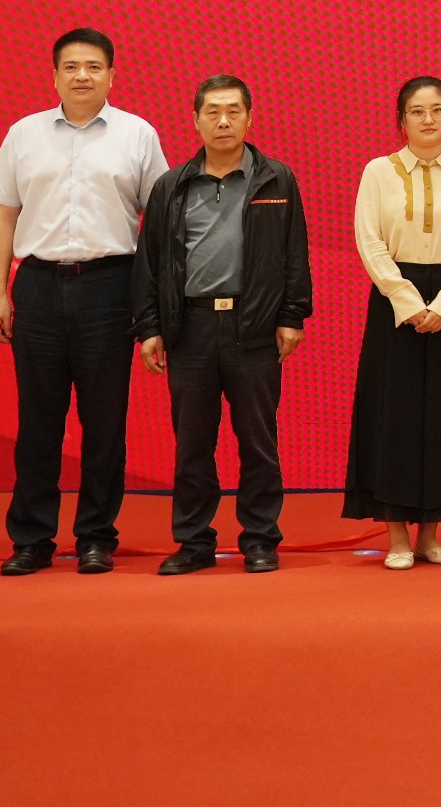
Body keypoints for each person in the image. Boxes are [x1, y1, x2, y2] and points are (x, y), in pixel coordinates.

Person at [0, 28, 169, 576]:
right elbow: (2, 215)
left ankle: (96, 536)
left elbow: (159, 222)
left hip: (110, 286)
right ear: (54, 75)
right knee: (37, 420)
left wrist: (150, 305)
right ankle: (32, 538)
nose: (81, 75)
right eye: (70, 66)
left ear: (112, 75)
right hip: (38, 284)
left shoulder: (137, 134)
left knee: (104, 421)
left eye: (93, 66)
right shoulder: (24, 133)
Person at [132, 76, 311, 575]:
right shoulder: (171, 185)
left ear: (250, 118)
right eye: (212, 112)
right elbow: (150, 262)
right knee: (193, 444)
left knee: (258, 441)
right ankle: (194, 542)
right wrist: (149, 327)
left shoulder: (277, 179)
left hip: (254, 328)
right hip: (190, 329)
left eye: (233, 111)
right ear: (195, 120)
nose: (224, 121)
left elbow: (295, 252)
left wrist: (292, 315)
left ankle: (260, 539)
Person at [345, 77, 441, 569]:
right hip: (393, 305)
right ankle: (397, 538)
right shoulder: (378, 171)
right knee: (394, 415)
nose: (428, 119)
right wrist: (406, 302)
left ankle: (430, 535)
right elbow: (369, 241)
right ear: (401, 120)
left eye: (437, 110)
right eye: (416, 111)